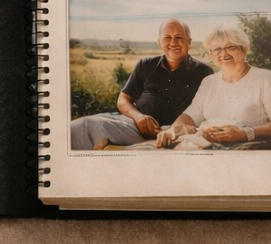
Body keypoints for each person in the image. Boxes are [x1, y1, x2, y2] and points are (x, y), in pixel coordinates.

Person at [69, 19, 213, 149]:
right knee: (80, 127)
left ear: (189, 42)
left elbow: (208, 111)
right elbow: (123, 99)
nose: (173, 43)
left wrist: (179, 130)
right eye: (167, 38)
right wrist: (138, 117)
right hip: (133, 127)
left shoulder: (204, 71)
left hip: (176, 134)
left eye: (179, 37)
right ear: (159, 42)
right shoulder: (146, 65)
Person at [156, 26, 271, 149]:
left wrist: (244, 134)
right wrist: (172, 130)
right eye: (217, 49)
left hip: (250, 151)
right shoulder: (209, 82)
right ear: (211, 54)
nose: (223, 54)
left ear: (244, 49)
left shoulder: (264, 78)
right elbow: (190, 115)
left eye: (230, 47)